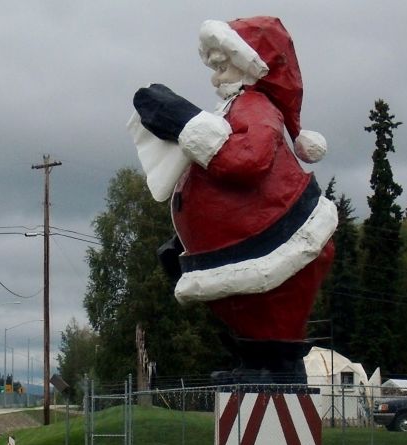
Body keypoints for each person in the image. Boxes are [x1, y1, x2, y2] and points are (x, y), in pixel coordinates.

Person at [130, 16, 336, 383]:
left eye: (222, 60)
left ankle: (278, 370)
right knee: (231, 302)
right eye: (212, 61)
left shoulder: (257, 108)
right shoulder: (233, 108)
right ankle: (255, 363)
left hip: (272, 244)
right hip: (240, 249)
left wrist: (183, 120)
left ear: (249, 62)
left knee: (266, 310)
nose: (215, 69)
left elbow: (248, 160)